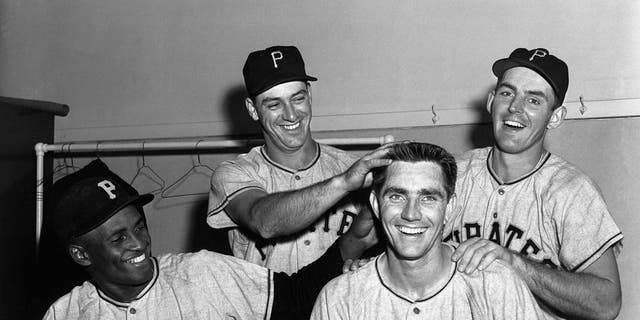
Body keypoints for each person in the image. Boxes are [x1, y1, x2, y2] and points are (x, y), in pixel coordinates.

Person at [44, 159, 376, 320]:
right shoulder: (67, 313)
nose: (139, 243)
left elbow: (296, 299)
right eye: (118, 238)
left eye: (139, 227)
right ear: (82, 254)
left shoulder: (200, 274)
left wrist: (353, 243)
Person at [444, 48, 623, 319]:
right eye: (507, 93)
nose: (515, 107)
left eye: (534, 100)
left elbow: (607, 303)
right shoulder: (450, 174)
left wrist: (515, 263)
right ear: (492, 101)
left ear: (555, 117)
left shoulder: (571, 190)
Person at [311, 142, 552, 319]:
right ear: (375, 204)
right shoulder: (341, 298)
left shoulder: (496, 285)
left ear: (450, 208)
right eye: (397, 196)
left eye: (428, 198)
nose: (411, 213)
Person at [208, 45, 393, 274]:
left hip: (340, 306)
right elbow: (264, 222)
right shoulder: (235, 173)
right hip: (266, 308)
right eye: (274, 104)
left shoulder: (350, 167)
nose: (291, 114)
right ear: (253, 109)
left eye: (297, 98)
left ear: (310, 95)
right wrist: (343, 183)